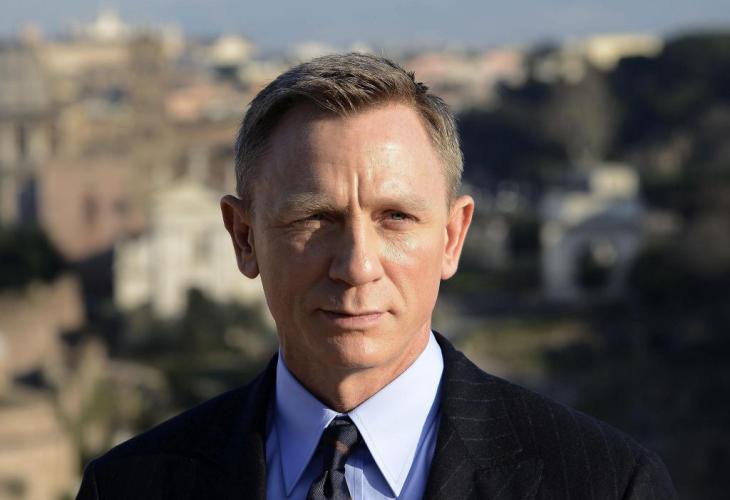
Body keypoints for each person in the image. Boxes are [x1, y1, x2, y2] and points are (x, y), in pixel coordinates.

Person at [77, 53, 676, 499]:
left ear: (452, 237)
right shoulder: (126, 487)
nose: (357, 266)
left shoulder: (609, 484)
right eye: (314, 219)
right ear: (243, 237)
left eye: (395, 218)